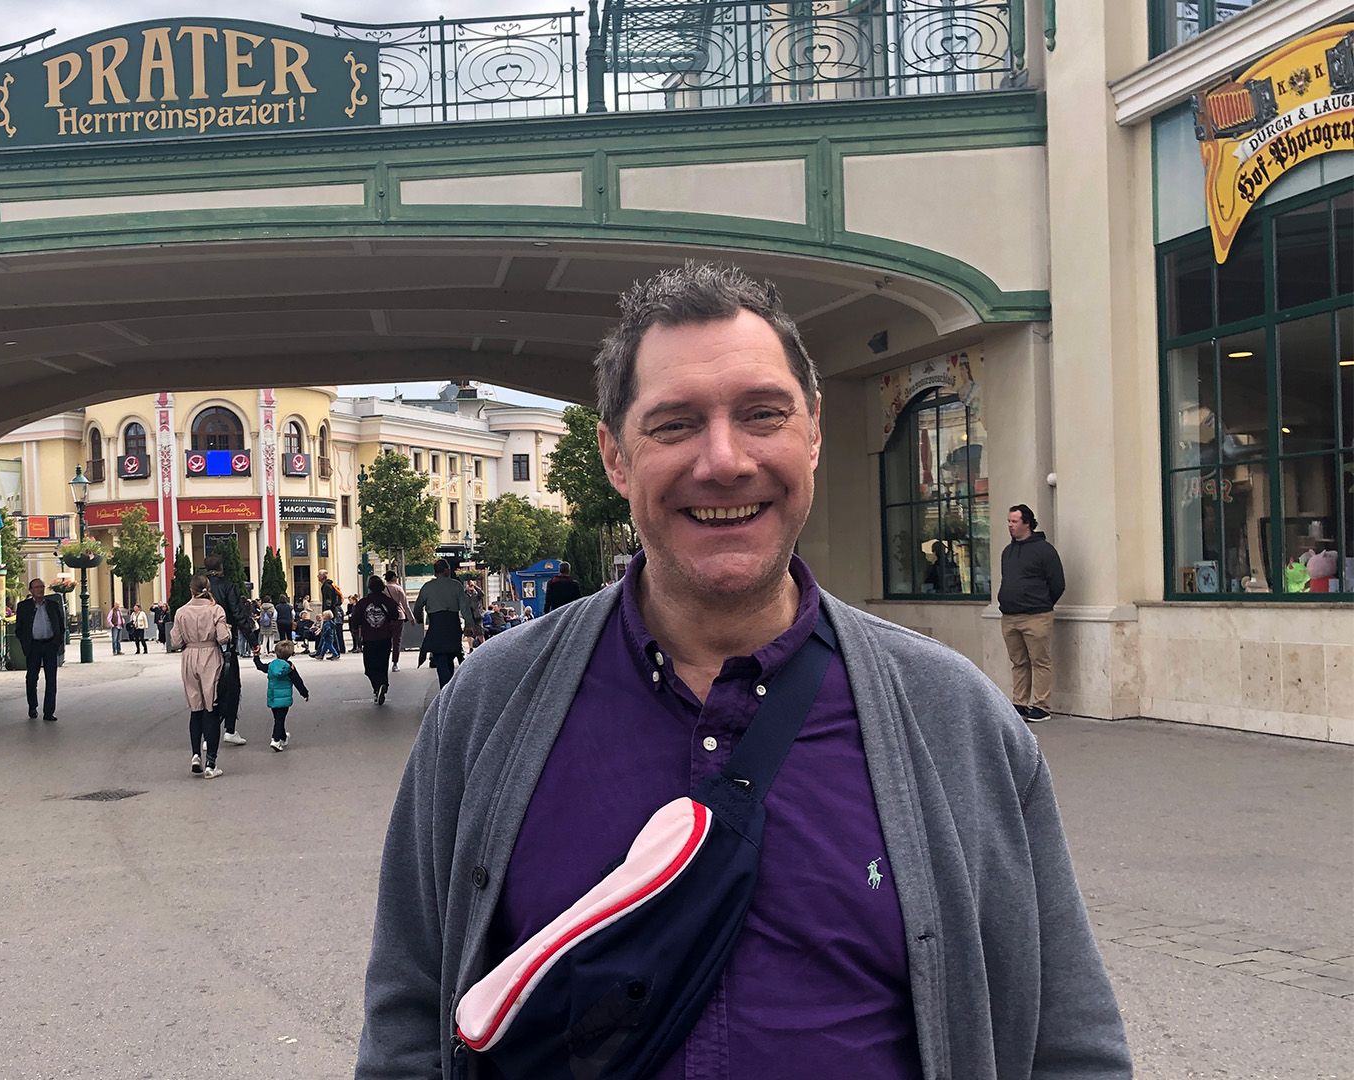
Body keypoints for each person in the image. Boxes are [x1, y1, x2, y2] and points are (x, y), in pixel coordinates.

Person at [356, 263, 1127, 1079]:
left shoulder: (954, 718)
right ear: (615, 456)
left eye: (763, 415)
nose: (724, 461)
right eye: (675, 424)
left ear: (814, 433)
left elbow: (1069, 1048)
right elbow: (410, 1024)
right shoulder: (488, 709)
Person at [999, 503, 1066, 722]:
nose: (1010, 525)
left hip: (1036, 616)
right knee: (1018, 662)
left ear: (1027, 523)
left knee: (1040, 661)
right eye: (1009, 521)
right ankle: (1020, 703)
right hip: (1010, 616)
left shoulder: (1044, 550)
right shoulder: (1007, 552)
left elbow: (1057, 584)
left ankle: (1041, 706)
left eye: (1014, 521)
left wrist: (1042, 604)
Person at [171, 575, 229, 778]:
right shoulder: (215, 609)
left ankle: (196, 753)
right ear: (208, 588)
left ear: (191, 590)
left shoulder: (181, 612)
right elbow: (223, 637)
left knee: (195, 707)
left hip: (189, 656)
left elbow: (175, 642)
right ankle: (211, 762)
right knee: (211, 707)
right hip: (210, 655)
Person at [203, 552, 252, 746]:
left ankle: (208, 734)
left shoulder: (200, 588)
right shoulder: (227, 586)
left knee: (209, 687)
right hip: (226, 644)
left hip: (204, 645)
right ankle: (229, 729)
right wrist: (252, 640)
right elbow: (238, 614)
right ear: (221, 567)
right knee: (232, 686)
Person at [414, 560, 474, 687]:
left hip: (436, 625)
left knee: (440, 655)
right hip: (452, 624)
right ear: (446, 570)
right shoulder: (456, 585)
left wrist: (418, 618)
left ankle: (445, 685)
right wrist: (469, 624)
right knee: (451, 654)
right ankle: (448, 684)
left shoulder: (427, 587)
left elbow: (418, 606)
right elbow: (464, 607)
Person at [14, 578, 65, 722]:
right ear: (31, 590)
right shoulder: (24, 606)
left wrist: (56, 642)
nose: (40, 590)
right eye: (36, 587)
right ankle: (32, 706)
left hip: (49, 645)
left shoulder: (53, 605)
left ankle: (49, 712)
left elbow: (60, 626)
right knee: (31, 678)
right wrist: (25, 643)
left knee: (51, 679)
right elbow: (19, 629)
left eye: (42, 587)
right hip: (34, 646)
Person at [252, 640, 310, 752]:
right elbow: (297, 681)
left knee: (278, 718)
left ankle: (283, 737)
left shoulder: (271, 665)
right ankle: (275, 739)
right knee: (280, 719)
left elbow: (260, 666)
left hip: (273, 697)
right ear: (290, 654)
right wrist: (304, 693)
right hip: (284, 699)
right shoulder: (290, 668)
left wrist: (256, 656)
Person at [354, 577, 403, 705]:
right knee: (382, 664)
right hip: (385, 637)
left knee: (369, 666)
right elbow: (395, 615)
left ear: (369, 587)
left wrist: (356, 631)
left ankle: (378, 686)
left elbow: (355, 619)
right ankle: (382, 684)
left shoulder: (363, 603)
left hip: (369, 638)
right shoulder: (388, 601)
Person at [381, 572, 412, 671]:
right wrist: (411, 618)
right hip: (398, 617)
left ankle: (384, 662)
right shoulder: (398, 589)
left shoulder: (383, 589)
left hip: (386, 617)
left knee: (385, 640)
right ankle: (395, 663)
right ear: (394, 577)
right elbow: (405, 605)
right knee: (396, 641)